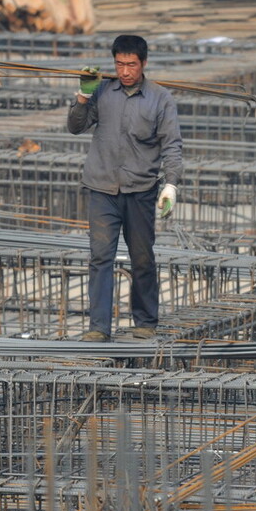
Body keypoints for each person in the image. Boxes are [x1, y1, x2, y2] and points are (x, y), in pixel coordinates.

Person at [67, 34, 182, 342]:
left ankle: (145, 321)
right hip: (102, 187)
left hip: (140, 189)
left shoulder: (160, 99)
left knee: (142, 257)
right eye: (120, 64)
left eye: (131, 65)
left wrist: (170, 184)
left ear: (143, 64)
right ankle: (98, 327)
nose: (125, 71)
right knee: (100, 257)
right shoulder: (102, 91)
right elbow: (75, 126)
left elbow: (172, 145)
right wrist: (82, 95)